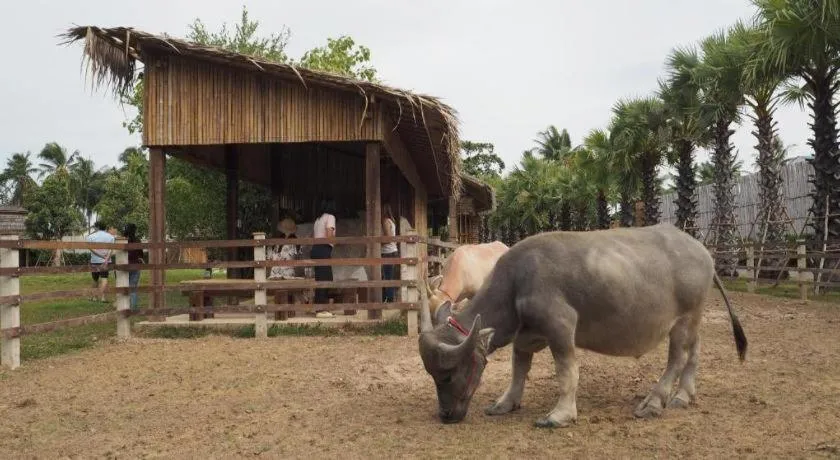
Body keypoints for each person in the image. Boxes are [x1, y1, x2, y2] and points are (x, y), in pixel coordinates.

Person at [311, 199, 336, 318]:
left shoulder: (318, 219)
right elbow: (329, 233)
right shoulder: (330, 217)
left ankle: (321, 307)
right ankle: (321, 309)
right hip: (323, 248)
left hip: (315, 249)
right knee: (325, 278)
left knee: (322, 277)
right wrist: (336, 242)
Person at [86, 221, 115, 302]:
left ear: (97, 227)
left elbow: (91, 248)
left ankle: (95, 297)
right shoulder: (111, 237)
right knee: (104, 278)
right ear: (105, 227)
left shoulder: (90, 237)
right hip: (106, 261)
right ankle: (103, 298)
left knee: (95, 279)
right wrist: (106, 259)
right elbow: (111, 249)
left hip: (95, 260)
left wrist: (100, 256)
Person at [268, 216, 300, 280]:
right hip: (286, 272)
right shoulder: (295, 241)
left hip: (278, 272)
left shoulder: (280, 241)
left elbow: (273, 257)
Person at [381, 203, 400, 302]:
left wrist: (378, 242)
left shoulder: (385, 221)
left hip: (388, 252)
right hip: (393, 251)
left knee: (387, 277)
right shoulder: (392, 221)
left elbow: (388, 238)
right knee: (389, 276)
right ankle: (389, 297)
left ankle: (389, 299)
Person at [123, 223, 144, 311]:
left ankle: (124, 306)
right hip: (135, 265)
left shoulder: (123, 240)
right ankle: (134, 307)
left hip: (124, 265)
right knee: (133, 287)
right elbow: (141, 254)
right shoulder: (137, 240)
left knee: (123, 287)